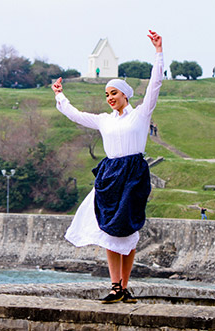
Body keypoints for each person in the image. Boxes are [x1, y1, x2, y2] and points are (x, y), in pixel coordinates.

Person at [51, 30, 163, 304]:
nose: (109, 98)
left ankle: (123, 286)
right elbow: (76, 115)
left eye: (113, 93)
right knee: (109, 230)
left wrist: (159, 53)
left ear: (124, 95)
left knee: (129, 231)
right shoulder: (104, 119)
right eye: (106, 94)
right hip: (110, 175)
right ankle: (116, 286)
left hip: (134, 174)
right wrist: (60, 96)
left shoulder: (140, 114)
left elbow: (155, 85)